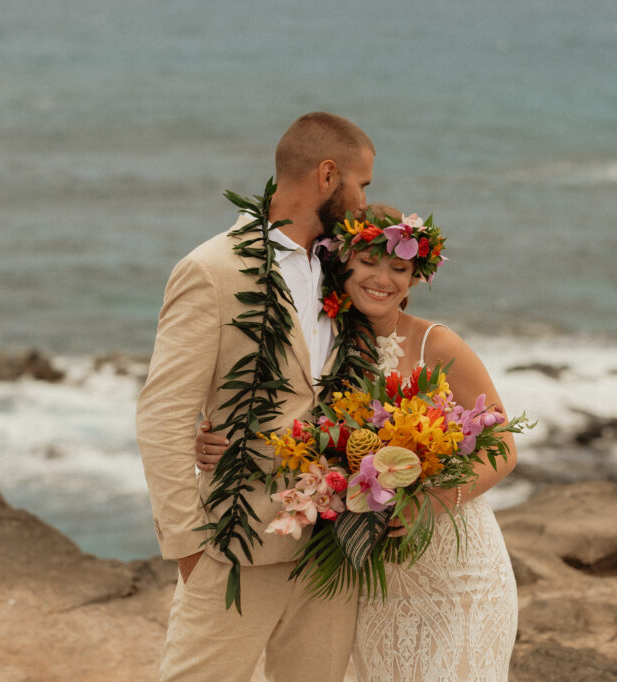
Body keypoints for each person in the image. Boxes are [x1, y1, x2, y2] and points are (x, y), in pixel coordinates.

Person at [196, 204, 519, 681]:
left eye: (399, 267)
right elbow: (289, 429)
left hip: (458, 572)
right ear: (341, 263)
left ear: (415, 279)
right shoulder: (319, 347)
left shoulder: (438, 344)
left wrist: (427, 503)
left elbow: (504, 447)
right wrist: (223, 443)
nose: (382, 278)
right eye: (368, 262)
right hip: (373, 581)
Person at [136, 111, 375, 682]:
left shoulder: (348, 269)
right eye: (361, 184)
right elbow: (163, 414)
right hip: (237, 543)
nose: (365, 201)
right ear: (326, 176)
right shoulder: (212, 270)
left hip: (332, 545)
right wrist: (190, 547)